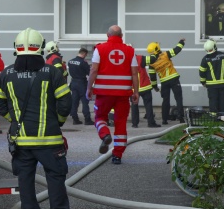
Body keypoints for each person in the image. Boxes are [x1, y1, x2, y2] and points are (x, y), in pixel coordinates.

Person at [0, 28, 83, 209]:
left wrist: (14, 120)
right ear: (41, 48)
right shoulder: (52, 72)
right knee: (55, 177)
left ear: (16, 49)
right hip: (49, 140)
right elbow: (65, 103)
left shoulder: (7, 73)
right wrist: (57, 122)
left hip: (21, 142)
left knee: (25, 179)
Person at [86, 25, 139, 165]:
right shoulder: (130, 50)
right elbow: (134, 73)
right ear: (121, 36)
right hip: (123, 94)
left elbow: (93, 70)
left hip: (104, 94)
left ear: (107, 35)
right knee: (121, 122)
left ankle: (105, 135)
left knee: (99, 117)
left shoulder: (100, 49)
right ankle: (117, 155)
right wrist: (136, 91)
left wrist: (89, 88)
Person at [147, 38, 185, 125]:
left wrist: (155, 87)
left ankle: (164, 119)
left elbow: (152, 77)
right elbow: (177, 50)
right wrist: (181, 42)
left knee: (165, 100)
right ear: (157, 49)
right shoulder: (165, 54)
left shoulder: (151, 64)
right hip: (174, 79)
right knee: (178, 98)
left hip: (164, 82)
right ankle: (181, 117)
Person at [199, 39, 224, 113]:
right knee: (223, 103)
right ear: (215, 46)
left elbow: (202, 71)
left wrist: (203, 82)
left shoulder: (205, 59)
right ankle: (222, 119)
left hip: (211, 86)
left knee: (213, 103)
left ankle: (214, 120)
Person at [131, 53, 160, 128]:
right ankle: (151, 123)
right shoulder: (140, 58)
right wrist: (154, 53)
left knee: (134, 105)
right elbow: (152, 59)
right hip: (145, 87)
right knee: (148, 105)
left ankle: (134, 124)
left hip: (133, 88)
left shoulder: (125, 60)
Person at [67, 46, 94, 126]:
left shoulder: (70, 61)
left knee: (74, 101)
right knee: (85, 101)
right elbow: (89, 73)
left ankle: (75, 119)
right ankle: (87, 119)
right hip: (81, 83)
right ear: (84, 54)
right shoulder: (83, 62)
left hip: (73, 82)